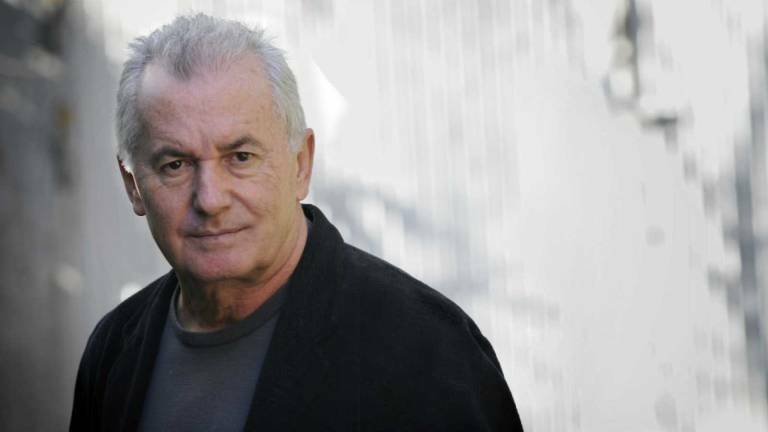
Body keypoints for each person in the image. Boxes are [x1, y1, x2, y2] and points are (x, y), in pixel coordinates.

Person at [69, 13, 524, 432]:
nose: (209, 199)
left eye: (241, 157)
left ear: (301, 164)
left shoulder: (427, 351)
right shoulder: (113, 349)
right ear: (133, 186)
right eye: (175, 165)